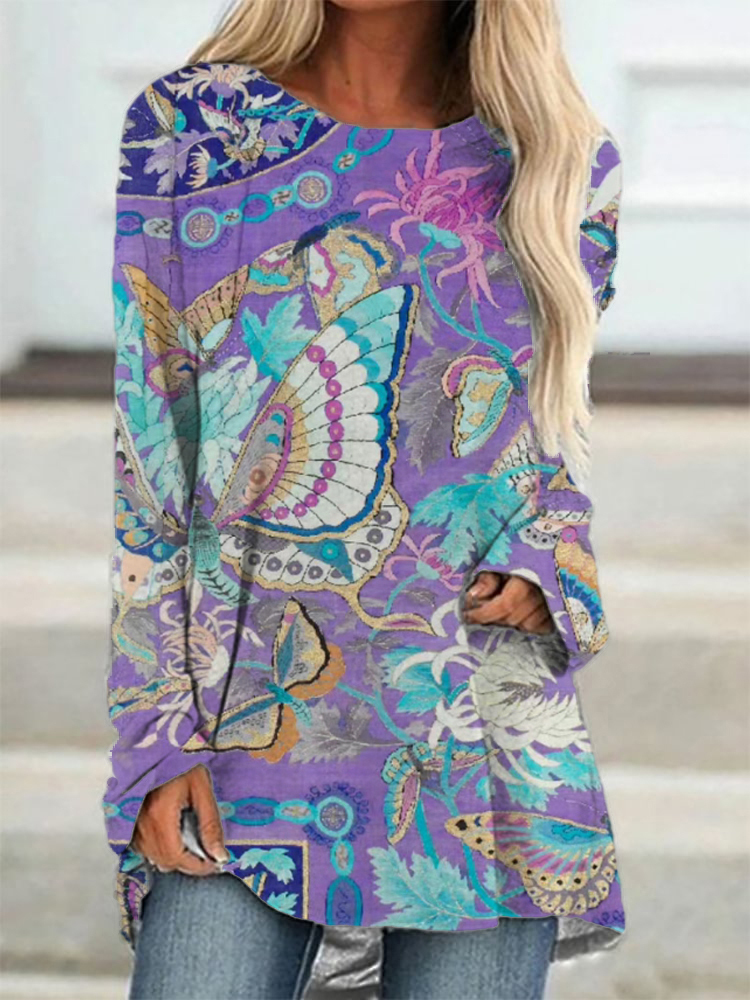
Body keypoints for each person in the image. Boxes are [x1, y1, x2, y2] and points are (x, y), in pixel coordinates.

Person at [106, 1, 625, 997]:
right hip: (249, 714)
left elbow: (556, 433)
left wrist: (548, 570)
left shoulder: (560, 159)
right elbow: (150, 453)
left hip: (480, 722)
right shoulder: (195, 130)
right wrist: (156, 732)